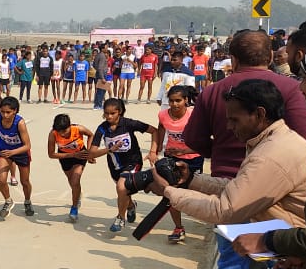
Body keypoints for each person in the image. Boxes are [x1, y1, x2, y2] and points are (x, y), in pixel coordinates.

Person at [150, 79, 306, 269]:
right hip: (283, 259)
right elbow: (239, 190)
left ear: (259, 114)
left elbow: (225, 210)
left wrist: (169, 192)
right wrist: (191, 181)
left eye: (234, 120)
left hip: (300, 266)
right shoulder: (268, 141)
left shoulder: (273, 154)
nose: (229, 127)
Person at [183, 30, 306, 269]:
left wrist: (221, 157)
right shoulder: (290, 92)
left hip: (245, 198)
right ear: (271, 57)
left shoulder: (215, 91)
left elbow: (195, 142)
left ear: (233, 58)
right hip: (285, 206)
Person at [232, 44, 306, 269]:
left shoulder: (280, 147)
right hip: (302, 261)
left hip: (299, 262)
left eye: (304, 78)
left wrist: (270, 241)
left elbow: (228, 205)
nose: (300, 87)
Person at [87, 98, 158, 233]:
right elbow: (92, 153)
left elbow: (154, 131)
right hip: (114, 166)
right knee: (123, 191)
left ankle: (120, 217)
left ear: (119, 112)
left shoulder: (129, 124)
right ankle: (131, 205)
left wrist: (152, 151)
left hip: (133, 162)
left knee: (121, 186)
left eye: (112, 113)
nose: (109, 116)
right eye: (106, 113)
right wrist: (109, 150)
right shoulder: (102, 128)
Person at [150, 86, 202, 243]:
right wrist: (155, 150)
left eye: (178, 101)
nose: (174, 104)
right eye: (171, 101)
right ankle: (178, 228)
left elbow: (204, 140)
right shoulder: (163, 115)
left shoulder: (194, 115)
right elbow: (160, 129)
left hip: (193, 158)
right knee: (172, 191)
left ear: (186, 100)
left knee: (192, 192)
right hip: (171, 158)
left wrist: (184, 150)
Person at [47, 114, 94, 223]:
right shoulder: (53, 134)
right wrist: (72, 155)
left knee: (75, 180)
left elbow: (91, 135)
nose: (63, 134)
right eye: (60, 132)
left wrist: (90, 152)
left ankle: (74, 207)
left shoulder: (78, 129)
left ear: (69, 126)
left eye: (65, 131)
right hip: (65, 157)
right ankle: (77, 195)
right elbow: (51, 154)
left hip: (80, 155)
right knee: (72, 182)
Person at [0, 97, 34, 219]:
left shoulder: (20, 123)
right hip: (5, 151)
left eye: (8, 112)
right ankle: (8, 201)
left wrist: (13, 152)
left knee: (25, 182)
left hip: (20, 152)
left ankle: (27, 201)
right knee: (1, 180)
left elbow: (27, 145)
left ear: (15, 111)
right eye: (2, 112)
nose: (5, 115)